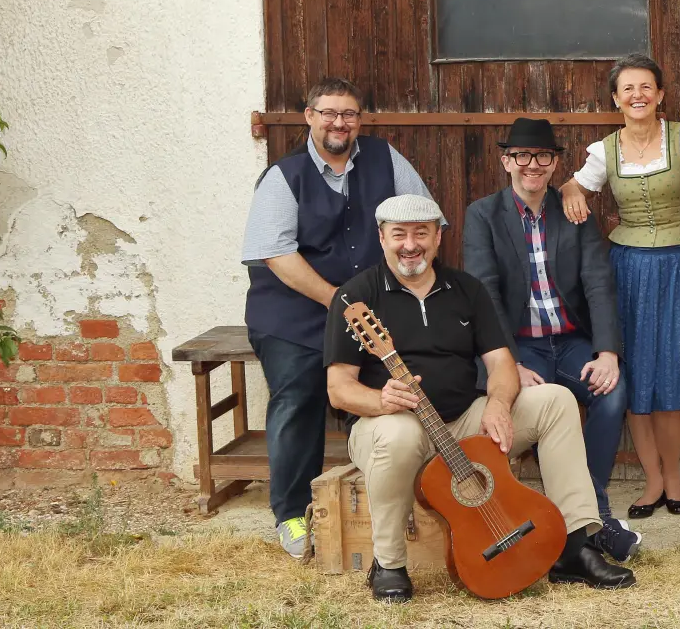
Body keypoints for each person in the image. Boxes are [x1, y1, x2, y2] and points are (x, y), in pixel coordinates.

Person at [324, 194, 636, 602]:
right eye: (399, 234)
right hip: (391, 424)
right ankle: (389, 563)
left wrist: (498, 404)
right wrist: (382, 400)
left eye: (421, 233)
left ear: (438, 238)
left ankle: (574, 546)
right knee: (397, 435)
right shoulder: (355, 297)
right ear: (381, 238)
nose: (410, 244)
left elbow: (502, 364)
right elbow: (339, 389)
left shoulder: (465, 289)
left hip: (461, 419)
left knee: (556, 400)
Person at [240, 77, 438, 560]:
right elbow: (276, 255)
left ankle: (393, 502)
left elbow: (427, 222)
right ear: (309, 117)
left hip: (369, 310)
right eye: (328, 113)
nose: (338, 123)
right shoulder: (283, 176)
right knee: (298, 395)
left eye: (348, 114)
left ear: (359, 119)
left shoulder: (387, 159)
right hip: (294, 312)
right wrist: (340, 301)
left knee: (401, 384)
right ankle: (290, 514)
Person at [559, 55, 680, 520]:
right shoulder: (604, 151)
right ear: (616, 99)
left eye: (646, 87)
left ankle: (672, 475)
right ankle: (652, 479)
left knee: (673, 375)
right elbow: (574, 187)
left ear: (660, 95)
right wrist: (570, 190)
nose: (637, 95)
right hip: (628, 269)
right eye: (628, 88)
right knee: (634, 377)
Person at [462, 118, 641, 562]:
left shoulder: (573, 210)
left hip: (571, 340)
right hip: (520, 347)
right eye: (522, 156)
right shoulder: (483, 215)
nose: (532, 165)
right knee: (544, 405)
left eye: (543, 156)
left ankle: (588, 506)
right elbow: (483, 294)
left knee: (613, 393)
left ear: (555, 162)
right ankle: (596, 520)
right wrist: (507, 365)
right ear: (506, 161)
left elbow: (599, 283)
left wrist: (607, 353)